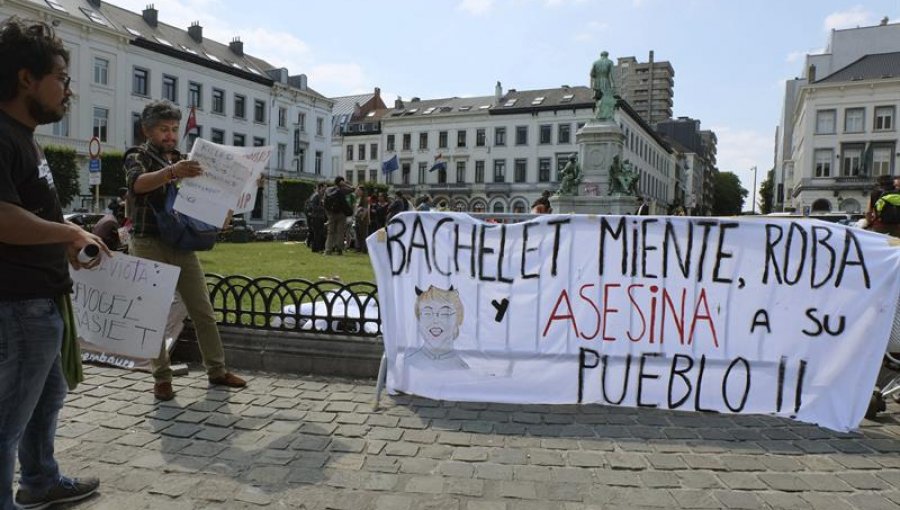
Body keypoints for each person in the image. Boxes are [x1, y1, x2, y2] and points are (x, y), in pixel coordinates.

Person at [0, 17, 106, 509]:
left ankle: (40, 480)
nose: (69, 90)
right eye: (62, 77)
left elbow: (28, 214)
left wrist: (64, 244)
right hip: (17, 305)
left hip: (41, 300)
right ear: (26, 78)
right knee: (6, 422)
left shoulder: (25, 136)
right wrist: (67, 232)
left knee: (46, 401)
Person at [125, 99, 246, 401]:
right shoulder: (136, 155)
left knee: (202, 310)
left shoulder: (185, 159)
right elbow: (137, 184)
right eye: (164, 129)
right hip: (148, 241)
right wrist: (173, 173)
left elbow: (207, 195)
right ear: (147, 130)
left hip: (181, 242)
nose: (170, 135)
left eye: (174, 129)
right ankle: (161, 378)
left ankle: (217, 370)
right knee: (153, 313)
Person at [324, 176, 354, 255]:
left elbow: (325, 203)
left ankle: (328, 250)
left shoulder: (328, 190)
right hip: (341, 214)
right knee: (340, 232)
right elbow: (353, 189)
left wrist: (328, 213)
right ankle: (339, 250)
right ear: (341, 182)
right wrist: (346, 184)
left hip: (331, 214)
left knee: (330, 232)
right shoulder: (342, 190)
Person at [305, 182, 326, 252]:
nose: (325, 189)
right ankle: (316, 248)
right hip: (316, 217)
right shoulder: (316, 196)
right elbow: (313, 207)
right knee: (317, 233)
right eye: (324, 188)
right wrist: (323, 207)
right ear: (320, 188)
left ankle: (318, 248)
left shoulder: (320, 196)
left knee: (319, 233)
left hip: (319, 217)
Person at [353, 187, 369, 253]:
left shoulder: (365, 199)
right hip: (357, 218)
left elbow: (366, 209)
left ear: (362, 191)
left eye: (358, 190)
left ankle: (364, 249)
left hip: (362, 219)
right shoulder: (357, 198)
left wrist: (362, 217)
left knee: (363, 234)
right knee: (358, 234)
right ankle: (358, 248)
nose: (357, 191)